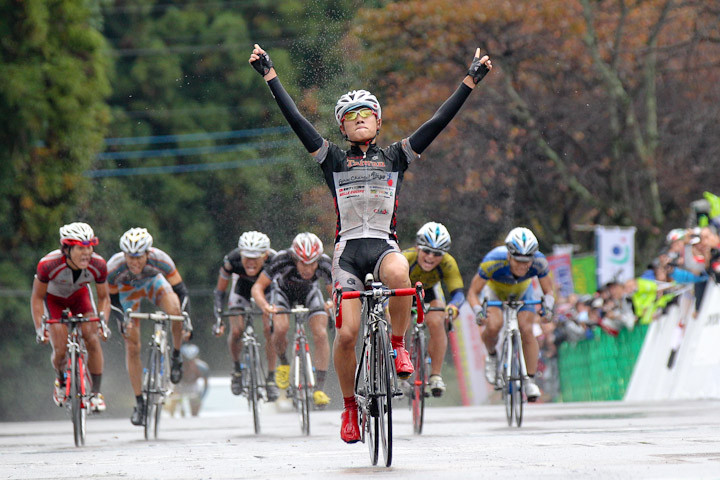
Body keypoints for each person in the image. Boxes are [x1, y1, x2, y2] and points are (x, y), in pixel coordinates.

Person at [249, 43, 491, 443]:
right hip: (347, 254)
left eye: (367, 115)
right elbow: (296, 120)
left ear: (378, 123)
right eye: (350, 117)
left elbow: (438, 121)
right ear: (342, 128)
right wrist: (270, 75)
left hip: (382, 246)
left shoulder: (396, 156)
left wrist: (469, 81)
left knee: (399, 271)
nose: (359, 120)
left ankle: (397, 346)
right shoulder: (333, 159)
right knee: (346, 335)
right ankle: (349, 411)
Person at [107, 227, 190, 426]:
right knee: (132, 346)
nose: (134, 262)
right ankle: (140, 404)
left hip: (154, 283)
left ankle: (176, 355)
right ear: (124, 254)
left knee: (175, 311)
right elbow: (111, 300)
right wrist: (122, 321)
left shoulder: (161, 260)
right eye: (130, 257)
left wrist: (187, 321)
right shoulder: (113, 267)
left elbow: (182, 292)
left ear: (148, 253)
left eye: (139, 257)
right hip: (127, 292)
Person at [466, 227, 555, 402]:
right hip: (495, 292)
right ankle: (492, 356)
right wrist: (478, 311)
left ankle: (530, 380)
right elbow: (472, 293)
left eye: (527, 261)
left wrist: (548, 309)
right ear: (509, 256)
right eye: (518, 260)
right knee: (494, 326)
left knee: (527, 329)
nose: (523, 265)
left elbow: (548, 292)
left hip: (523, 292)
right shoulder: (493, 261)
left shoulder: (539, 262)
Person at [31, 222, 111, 412]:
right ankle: (60, 380)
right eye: (80, 248)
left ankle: (95, 394)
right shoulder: (48, 264)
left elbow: (104, 297)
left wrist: (103, 323)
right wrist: (40, 328)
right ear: (66, 249)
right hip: (55, 301)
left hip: (80, 298)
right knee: (59, 349)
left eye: (89, 247)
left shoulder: (98, 264)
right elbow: (37, 297)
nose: (87, 253)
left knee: (92, 338)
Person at [251, 232, 333, 408]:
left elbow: (334, 292)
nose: (308, 268)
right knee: (280, 328)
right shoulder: (282, 259)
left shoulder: (325, 262)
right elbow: (258, 287)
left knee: (320, 333)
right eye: (303, 262)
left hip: (310, 292)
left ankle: (319, 387)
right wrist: (265, 305)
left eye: (312, 263)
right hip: (282, 294)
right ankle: (284, 363)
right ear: (295, 258)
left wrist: (332, 303)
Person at [212, 231, 279, 401]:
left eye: (255, 257)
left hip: (267, 291)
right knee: (236, 331)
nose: (250, 262)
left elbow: (282, 290)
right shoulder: (231, 260)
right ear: (240, 254)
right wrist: (219, 318)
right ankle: (236, 370)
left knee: (270, 330)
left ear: (265, 255)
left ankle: (271, 378)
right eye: (246, 257)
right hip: (240, 289)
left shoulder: (275, 260)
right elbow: (220, 291)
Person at [402, 222, 465, 397]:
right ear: (417, 248)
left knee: (437, 321)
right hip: (404, 291)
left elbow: (458, 293)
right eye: (426, 251)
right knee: (401, 324)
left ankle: (435, 375)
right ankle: (399, 369)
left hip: (429, 291)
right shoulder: (405, 258)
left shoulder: (448, 263)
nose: (430, 257)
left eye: (437, 254)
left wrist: (453, 308)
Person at [165, 344, 210, 417]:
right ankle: (172, 414)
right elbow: (169, 380)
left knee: (196, 406)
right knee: (172, 404)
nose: (188, 362)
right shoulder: (177, 367)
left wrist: (201, 398)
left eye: (192, 360)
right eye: (186, 360)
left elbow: (206, 385)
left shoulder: (202, 368)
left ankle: (194, 417)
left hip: (192, 385)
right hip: (179, 385)